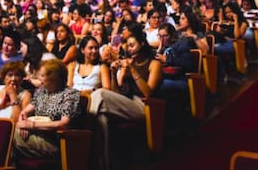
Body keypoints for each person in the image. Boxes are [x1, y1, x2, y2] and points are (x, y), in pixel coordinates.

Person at [89, 33, 162, 170]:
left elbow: (148, 93)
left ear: (142, 44)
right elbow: (117, 93)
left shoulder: (154, 64)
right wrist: (114, 72)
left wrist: (133, 70)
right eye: (127, 46)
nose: (129, 49)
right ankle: (103, 164)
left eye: (132, 45)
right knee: (101, 118)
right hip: (126, 102)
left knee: (99, 94)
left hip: (145, 106)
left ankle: (85, 133)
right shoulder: (128, 63)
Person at [13, 59, 81, 162]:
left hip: (55, 140)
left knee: (7, 138)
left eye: (42, 76)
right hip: (36, 135)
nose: (39, 78)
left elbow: (64, 124)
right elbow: (24, 112)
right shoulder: (41, 91)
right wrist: (23, 124)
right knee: (6, 134)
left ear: (54, 78)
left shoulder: (69, 94)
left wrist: (32, 125)